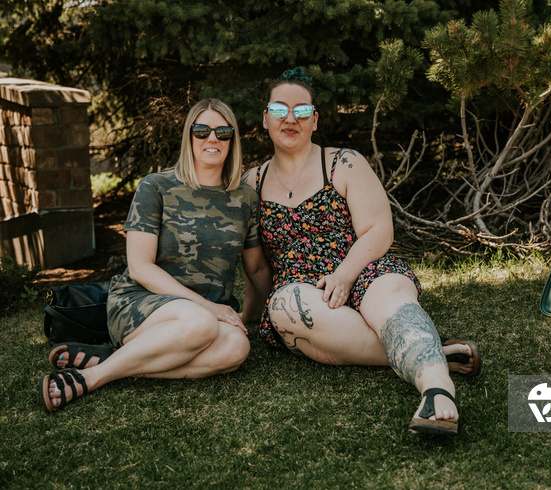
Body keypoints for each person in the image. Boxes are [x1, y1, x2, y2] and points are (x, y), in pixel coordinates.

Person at [241, 69, 481, 435]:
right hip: (303, 289)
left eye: (302, 111)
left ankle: (437, 388)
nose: (290, 118)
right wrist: (247, 315)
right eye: (279, 108)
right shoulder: (251, 182)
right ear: (265, 117)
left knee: (391, 303)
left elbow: (379, 229)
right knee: (286, 308)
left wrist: (345, 273)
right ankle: (437, 352)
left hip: (363, 264)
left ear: (315, 120)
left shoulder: (343, 163)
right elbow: (256, 264)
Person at [40, 99, 271, 413]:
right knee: (200, 322)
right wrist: (207, 307)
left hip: (207, 316)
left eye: (223, 131)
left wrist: (261, 314)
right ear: (189, 137)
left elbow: (255, 267)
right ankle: (93, 376)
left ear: (233, 139)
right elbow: (140, 268)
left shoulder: (245, 198)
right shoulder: (156, 187)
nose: (212, 138)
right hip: (142, 303)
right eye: (201, 130)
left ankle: (115, 360)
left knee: (236, 349)